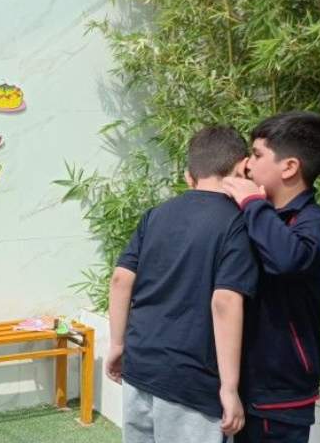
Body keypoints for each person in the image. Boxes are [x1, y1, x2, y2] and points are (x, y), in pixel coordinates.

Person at [107, 126, 259, 442]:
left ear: (189, 176)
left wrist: (118, 346)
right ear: (242, 168)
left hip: (141, 366)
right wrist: (229, 388)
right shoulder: (237, 223)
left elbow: (121, 280)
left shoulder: (156, 215)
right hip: (191, 383)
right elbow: (225, 301)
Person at [223, 111, 320, 443]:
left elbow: (286, 260)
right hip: (237, 384)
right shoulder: (255, 214)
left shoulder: (315, 223)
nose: (247, 164)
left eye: (257, 155)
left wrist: (252, 203)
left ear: (289, 167)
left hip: (280, 394)